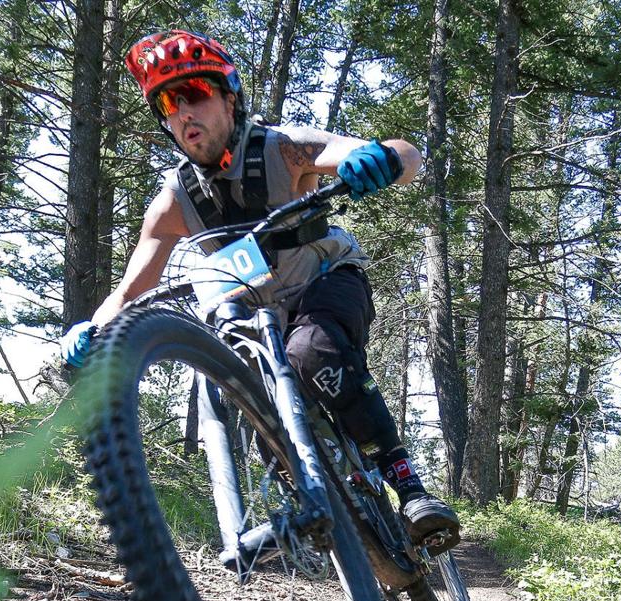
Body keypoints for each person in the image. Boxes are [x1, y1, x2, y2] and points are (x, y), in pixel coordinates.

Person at [61, 29, 459, 559]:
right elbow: (133, 287)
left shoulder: (284, 149)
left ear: (229, 97)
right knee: (254, 393)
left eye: (195, 93)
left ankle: (409, 487)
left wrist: (380, 159)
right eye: (167, 103)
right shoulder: (173, 202)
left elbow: (400, 155)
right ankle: (316, 511)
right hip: (257, 314)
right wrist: (90, 328)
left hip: (327, 280)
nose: (184, 113)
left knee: (311, 354)